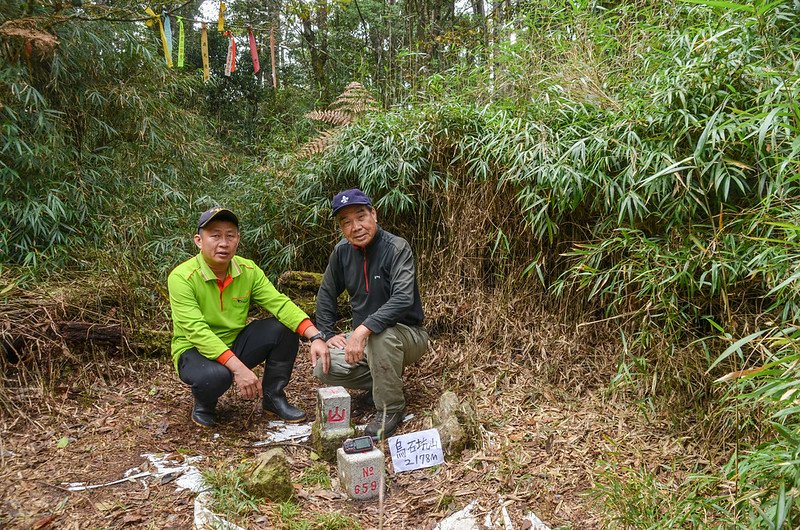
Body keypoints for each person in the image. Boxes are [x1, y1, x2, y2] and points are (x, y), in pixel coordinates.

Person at [168, 207, 329, 428]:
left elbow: (279, 304)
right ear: (199, 240)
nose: (223, 243)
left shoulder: (247, 270)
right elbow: (197, 331)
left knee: (283, 328)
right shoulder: (182, 277)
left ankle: (273, 397)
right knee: (217, 376)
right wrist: (239, 369)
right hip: (193, 349)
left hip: (234, 341)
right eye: (215, 235)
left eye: (230, 235)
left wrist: (315, 336)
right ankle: (204, 404)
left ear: (238, 240)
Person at [312, 189, 428, 439]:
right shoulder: (342, 252)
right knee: (323, 366)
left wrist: (362, 330)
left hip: (407, 334)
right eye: (346, 222)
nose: (356, 227)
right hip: (366, 340)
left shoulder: (396, 247)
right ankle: (383, 385)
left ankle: (391, 408)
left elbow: (403, 299)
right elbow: (326, 294)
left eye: (361, 217)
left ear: (374, 214)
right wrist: (325, 334)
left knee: (379, 336)